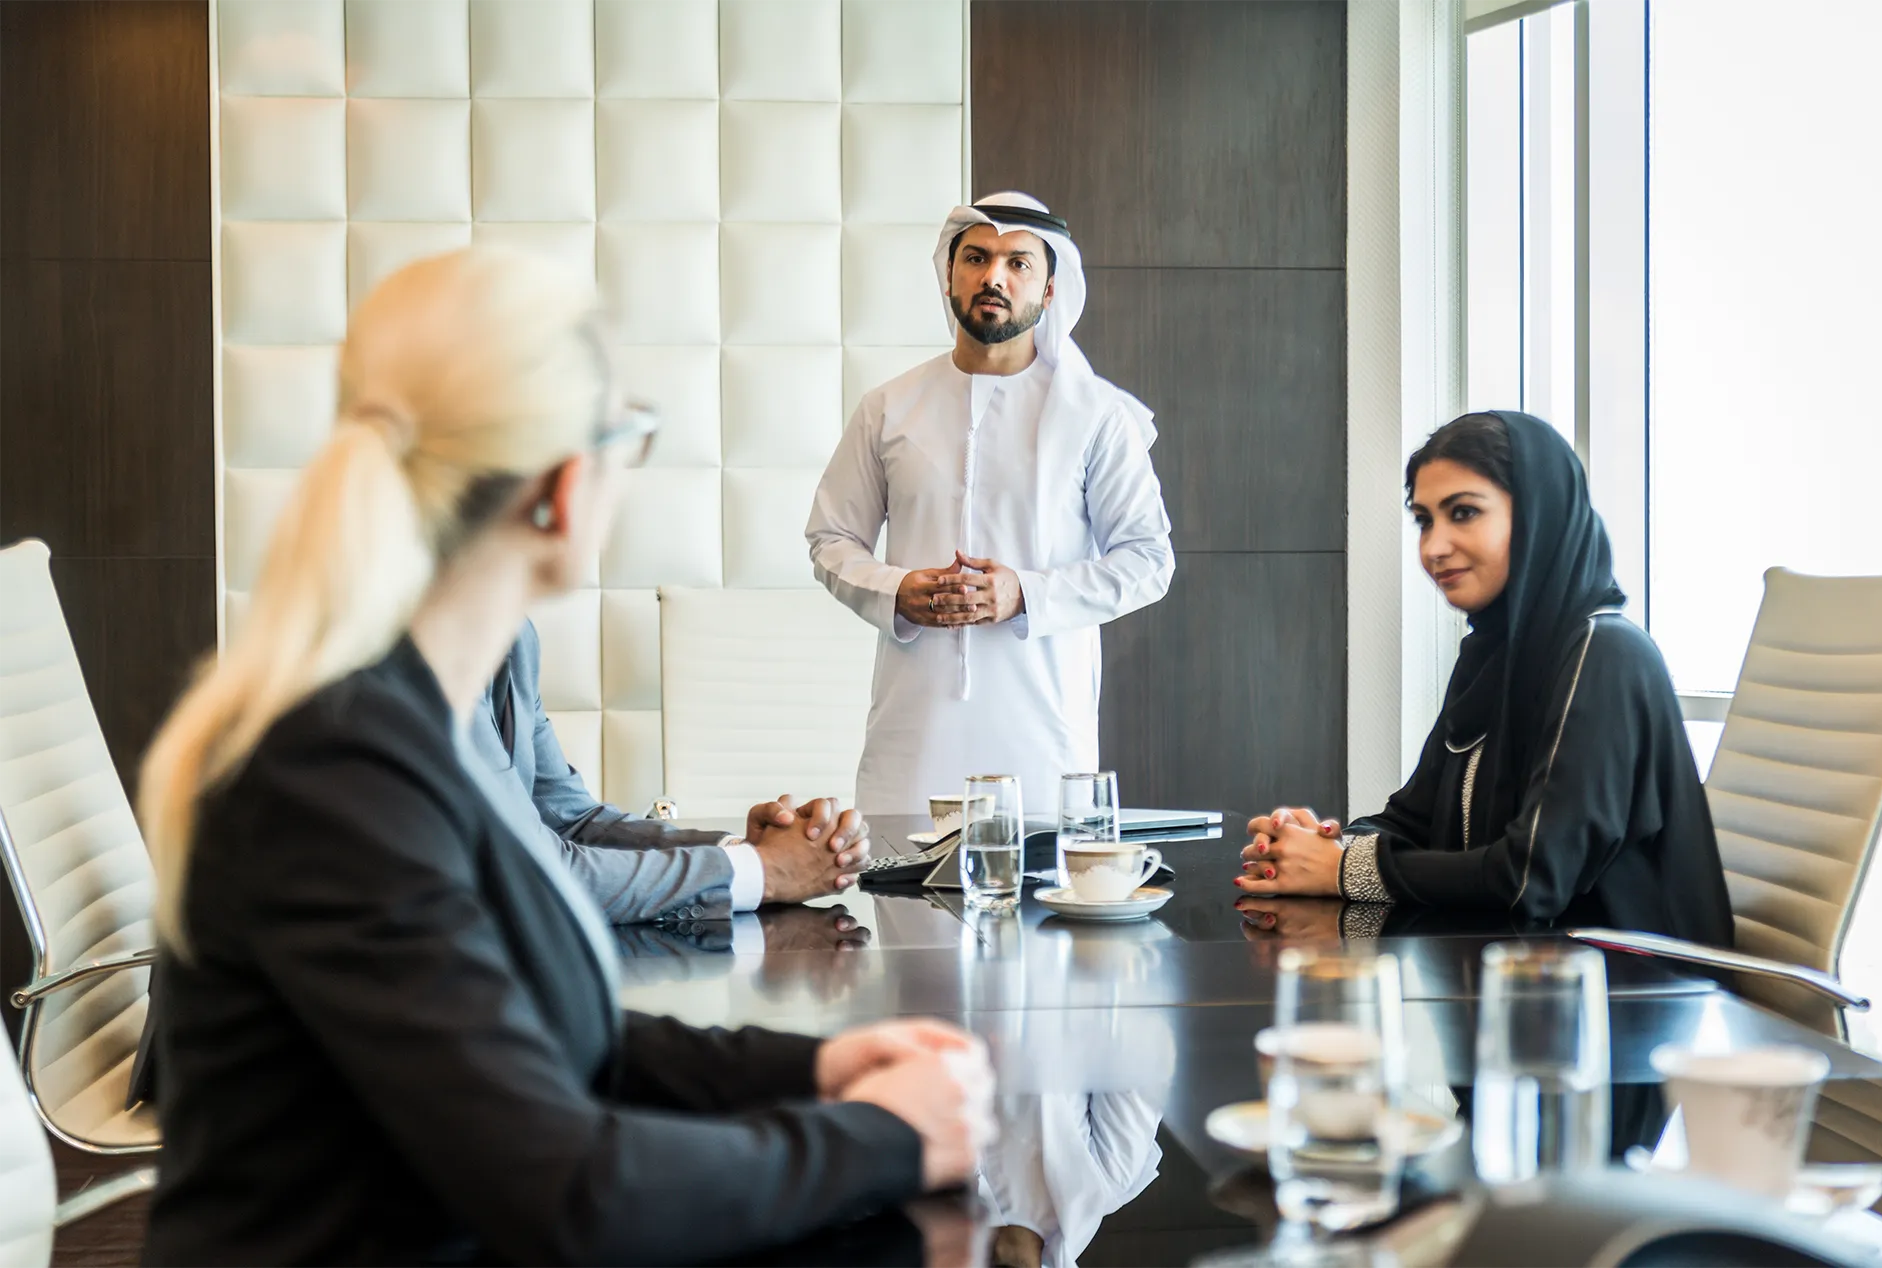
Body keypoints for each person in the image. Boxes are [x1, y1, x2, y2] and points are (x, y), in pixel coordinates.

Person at [135, 246, 994, 1266]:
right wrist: (890, 1134)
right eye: (630, 436)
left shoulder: (424, 712)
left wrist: (820, 1069)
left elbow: (545, 1031)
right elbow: (573, 1193)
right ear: (562, 484)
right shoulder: (338, 769)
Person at [1238, 412, 1733, 944]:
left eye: (1464, 513)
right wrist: (1316, 844)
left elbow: (1532, 876)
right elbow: (1413, 820)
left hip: (1627, 998)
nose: (1433, 548)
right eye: (1425, 520)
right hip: (1516, 976)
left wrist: (1342, 869)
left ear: (1541, 515)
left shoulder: (1604, 654)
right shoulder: (1494, 653)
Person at [806, 193, 1174, 815]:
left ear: (1050, 290)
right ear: (949, 275)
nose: (993, 276)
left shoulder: (1095, 416)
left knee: (1045, 909)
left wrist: (1022, 594)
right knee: (905, 903)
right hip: (911, 738)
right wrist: (896, 589)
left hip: (1044, 739)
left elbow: (1147, 561)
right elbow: (831, 539)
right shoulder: (888, 408)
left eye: (1018, 263)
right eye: (975, 257)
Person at [478, 618, 869, 923]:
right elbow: (531, 873)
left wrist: (743, 852)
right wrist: (765, 869)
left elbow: (571, 820)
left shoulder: (514, 634)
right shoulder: (428, 653)